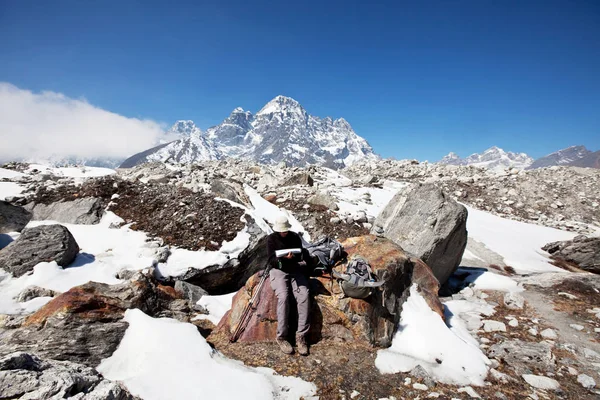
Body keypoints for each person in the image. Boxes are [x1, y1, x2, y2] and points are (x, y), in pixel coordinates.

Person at [266, 214, 311, 356]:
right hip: (279, 270)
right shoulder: (271, 239)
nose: (283, 233)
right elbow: (271, 260)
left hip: (294, 269)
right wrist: (283, 259)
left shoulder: (295, 237)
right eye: (281, 231)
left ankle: (301, 336)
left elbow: (301, 254)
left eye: (285, 230)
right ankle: (282, 337)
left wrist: (296, 256)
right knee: (284, 297)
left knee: (304, 295)